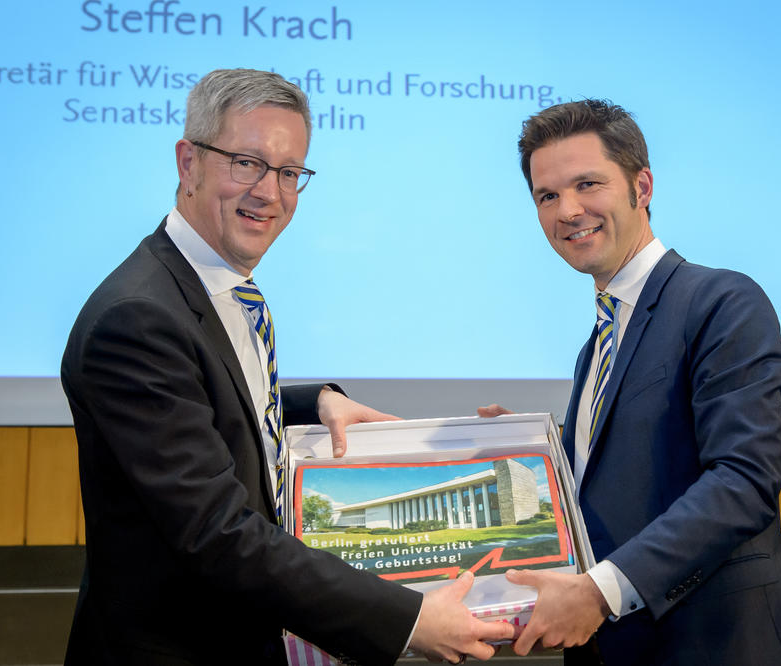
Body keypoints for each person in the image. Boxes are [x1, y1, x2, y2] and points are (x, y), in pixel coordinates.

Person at [62, 68, 513, 666]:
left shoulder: (211, 288)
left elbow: (213, 398)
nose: (270, 193)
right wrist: (407, 620)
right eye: (247, 163)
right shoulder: (138, 319)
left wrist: (312, 401)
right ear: (189, 163)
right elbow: (216, 532)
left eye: (289, 172)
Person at [480, 99, 781, 664]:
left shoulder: (721, 302)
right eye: (547, 196)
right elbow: (623, 479)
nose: (568, 210)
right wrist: (536, 454)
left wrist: (600, 594)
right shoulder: (597, 344)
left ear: (642, 186)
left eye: (587, 184)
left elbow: (744, 481)